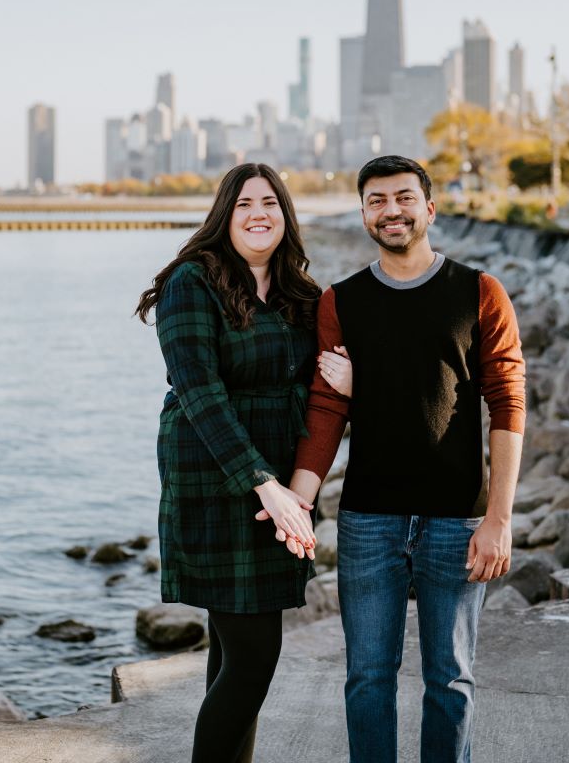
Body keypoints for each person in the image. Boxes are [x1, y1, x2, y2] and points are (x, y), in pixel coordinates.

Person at [273, 155, 526, 762]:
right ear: (363, 215)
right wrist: (299, 499)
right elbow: (328, 412)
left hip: (456, 519)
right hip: (369, 520)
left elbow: (508, 406)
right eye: (377, 201)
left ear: (429, 208)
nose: (392, 210)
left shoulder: (479, 292)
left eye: (404, 198)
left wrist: (498, 518)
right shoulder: (341, 302)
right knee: (367, 680)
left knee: (451, 679)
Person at [136, 162, 321, 763]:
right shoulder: (194, 281)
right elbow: (199, 393)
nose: (258, 213)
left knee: (231, 652)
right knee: (252, 659)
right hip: (216, 478)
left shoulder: (299, 296)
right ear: (224, 215)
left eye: (269, 202)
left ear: (285, 215)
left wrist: (345, 376)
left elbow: (320, 384)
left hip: (277, 485)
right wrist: (264, 486)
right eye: (243, 204)